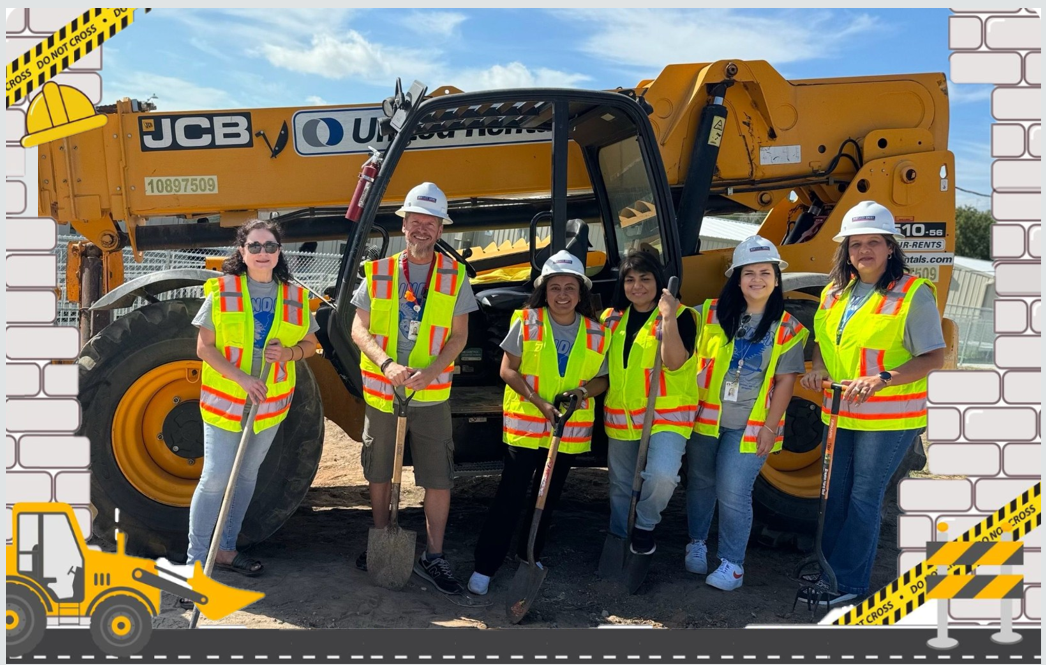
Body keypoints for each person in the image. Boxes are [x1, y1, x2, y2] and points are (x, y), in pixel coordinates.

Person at [798, 200, 945, 606]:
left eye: (873, 243)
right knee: (834, 494)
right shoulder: (833, 294)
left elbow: (934, 357)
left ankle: (848, 586)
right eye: (855, 243)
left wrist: (881, 380)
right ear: (845, 249)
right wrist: (817, 368)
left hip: (890, 418)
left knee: (863, 497)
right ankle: (827, 571)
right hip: (842, 411)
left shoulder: (913, 294)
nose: (864, 251)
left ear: (891, 248)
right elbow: (825, 346)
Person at [350, 182, 478, 595]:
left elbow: (459, 337)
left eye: (430, 223)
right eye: (415, 221)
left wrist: (432, 369)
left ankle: (434, 555)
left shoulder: (455, 277)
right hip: (384, 391)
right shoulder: (380, 272)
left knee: (437, 476)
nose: (422, 229)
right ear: (403, 224)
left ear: (441, 229)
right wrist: (386, 364)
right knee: (380, 470)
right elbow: (358, 327)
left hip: (432, 394)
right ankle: (383, 537)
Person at [467, 250, 610, 596]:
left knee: (548, 496)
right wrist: (540, 402)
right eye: (555, 287)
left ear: (581, 293)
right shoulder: (528, 322)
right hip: (527, 427)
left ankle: (529, 554)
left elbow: (602, 380)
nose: (562, 295)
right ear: (543, 291)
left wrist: (580, 393)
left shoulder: (596, 332)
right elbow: (507, 369)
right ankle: (486, 565)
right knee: (510, 495)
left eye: (570, 288)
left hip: (568, 431)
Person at [187, 219, 320, 577]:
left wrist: (290, 353)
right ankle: (196, 561)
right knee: (215, 478)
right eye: (255, 246)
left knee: (246, 477)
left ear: (279, 252)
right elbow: (205, 348)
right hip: (226, 400)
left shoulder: (295, 296)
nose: (263, 253)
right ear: (242, 252)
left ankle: (226, 550)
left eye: (270, 246)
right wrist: (243, 379)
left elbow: (311, 344)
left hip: (270, 405)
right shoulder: (223, 291)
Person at [685, 236, 808, 591]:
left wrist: (771, 427)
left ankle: (732, 564)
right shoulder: (708, 312)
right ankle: (696, 543)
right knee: (701, 482)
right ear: (736, 279)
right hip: (705, 419)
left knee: (733, 490)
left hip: (751, 427)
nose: (758, 279)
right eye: (749, 272)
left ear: (776, 277)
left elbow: (786, 381)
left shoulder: (786, 328)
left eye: (765, 272)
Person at [602, 250, 699, 556]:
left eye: (645, 278)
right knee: (620, 485)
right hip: (622, 415)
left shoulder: (683, 316)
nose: (637, 286)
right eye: (630, 280)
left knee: (662, 476)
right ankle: (620, 538)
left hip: (666, 417)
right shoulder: (612, 319)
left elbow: (674, 361)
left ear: (659, 282)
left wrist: (668, 316)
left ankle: (644, 525)